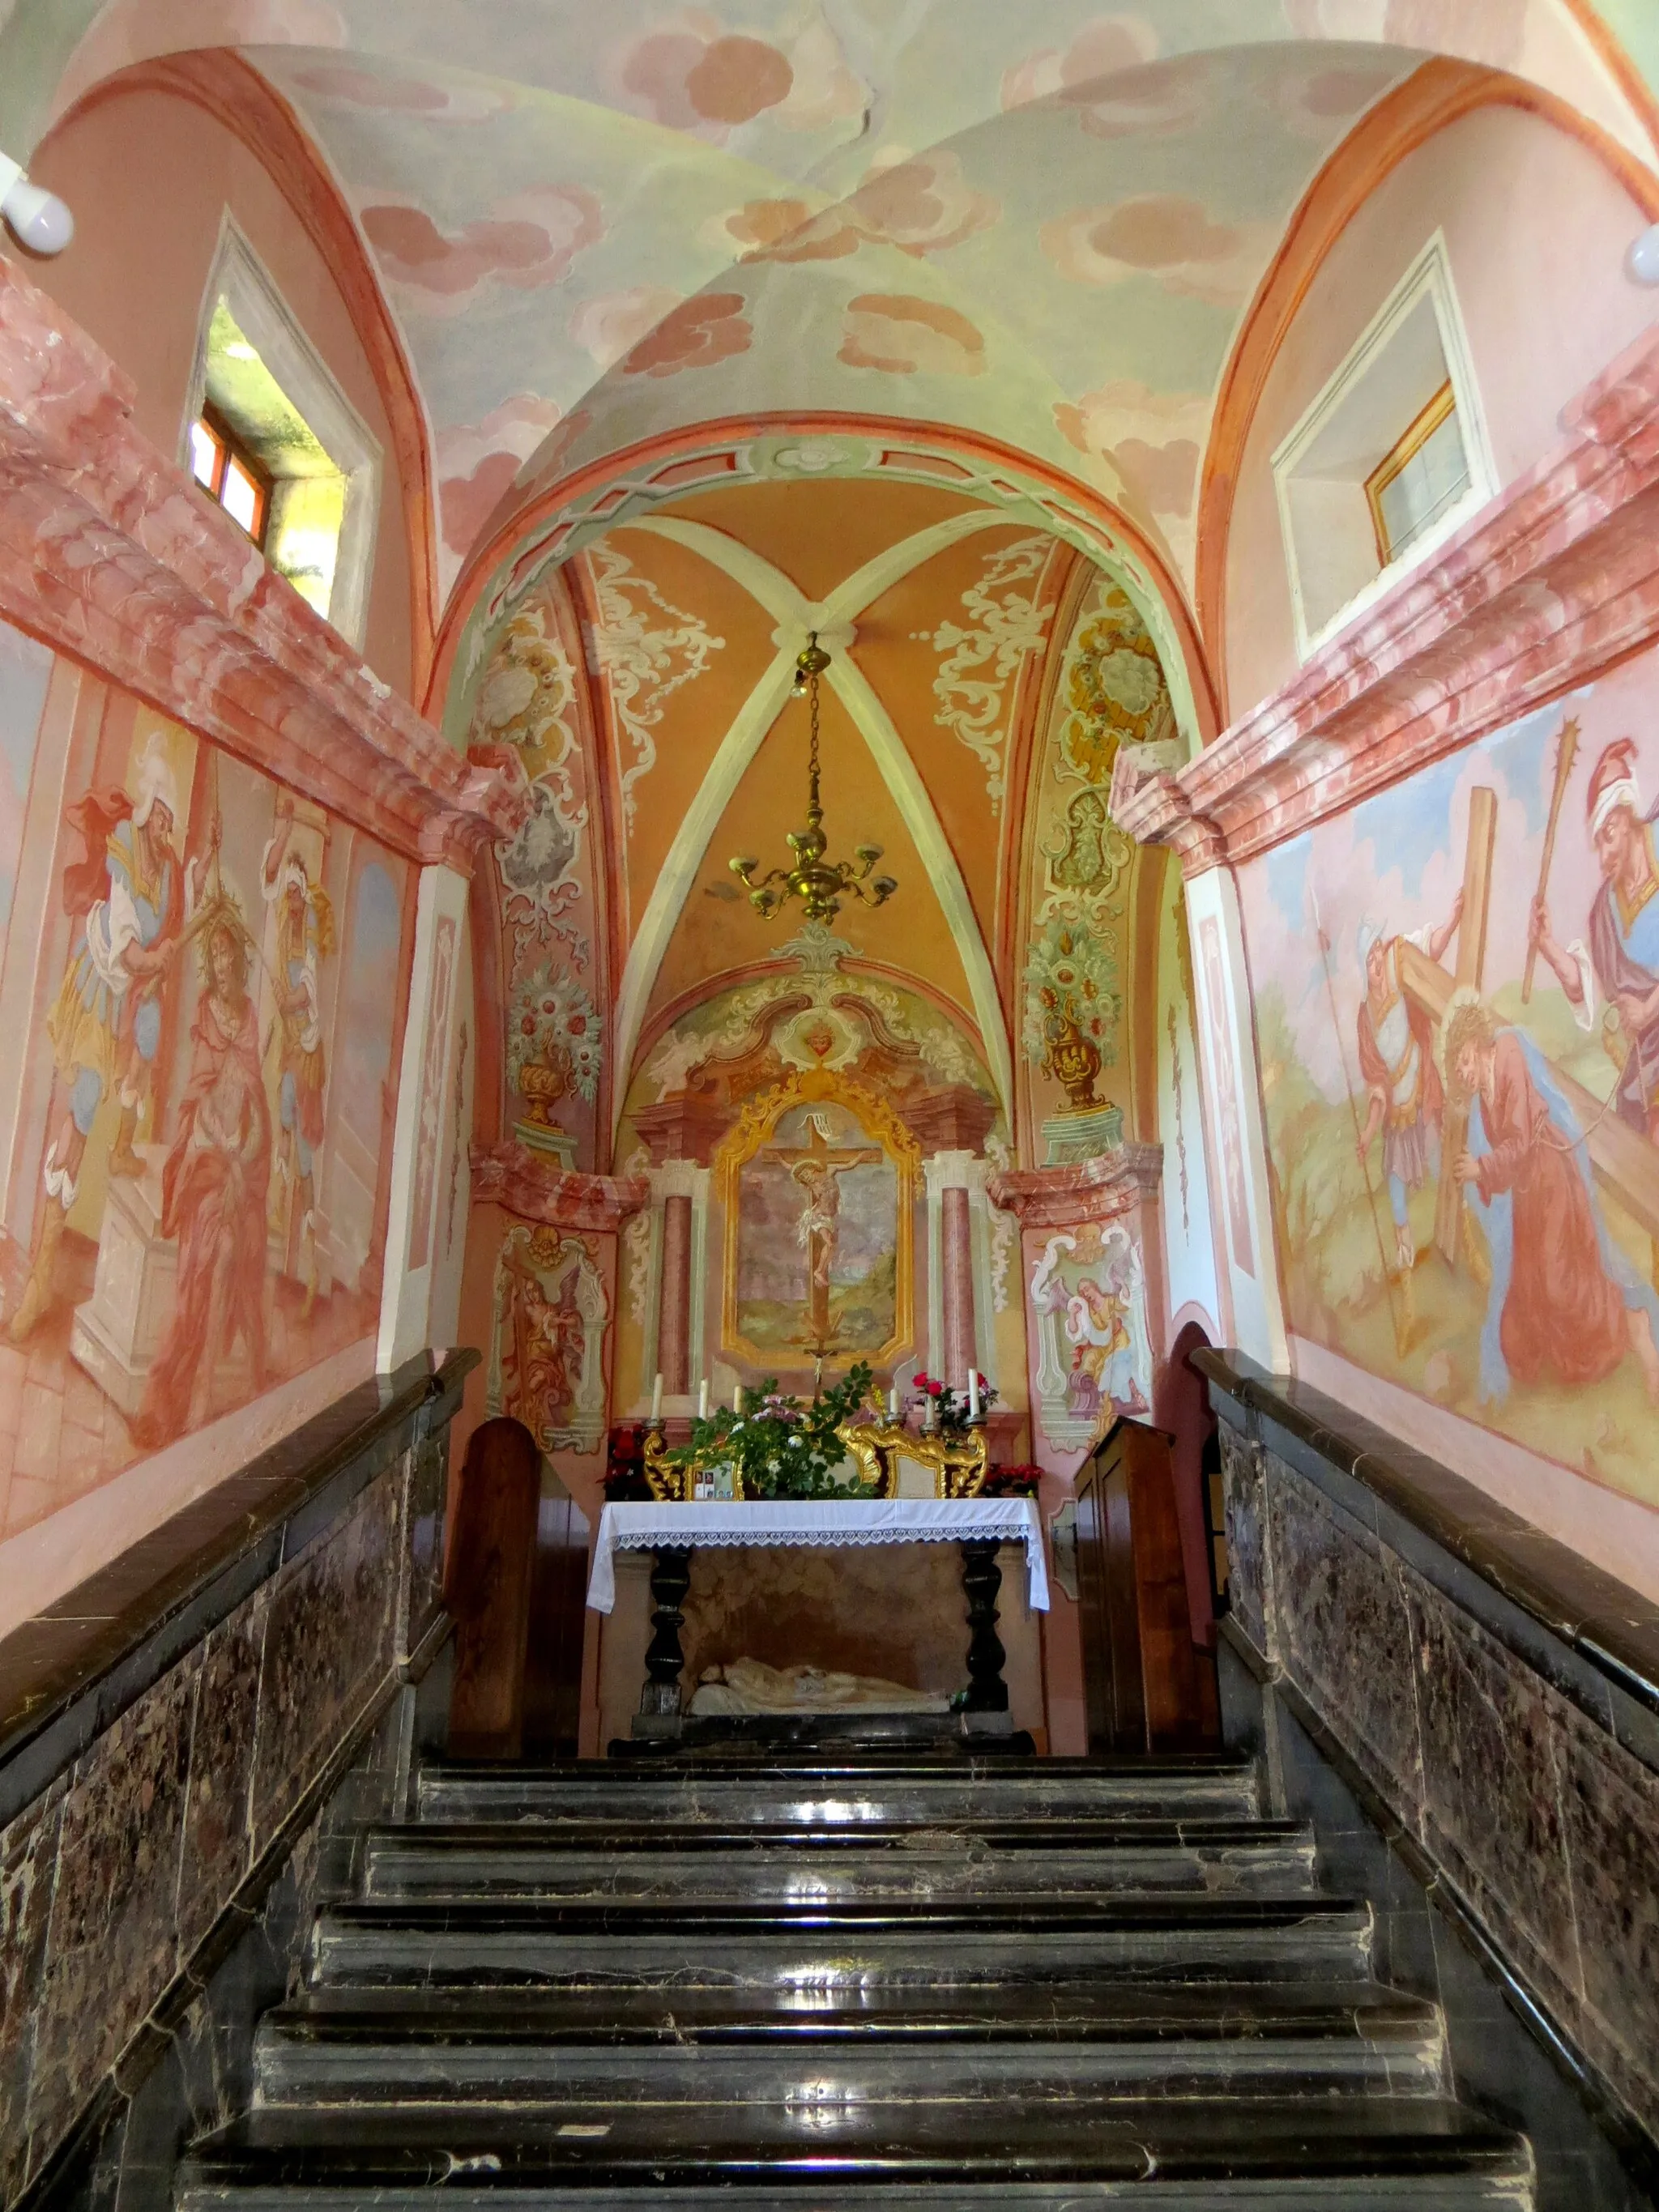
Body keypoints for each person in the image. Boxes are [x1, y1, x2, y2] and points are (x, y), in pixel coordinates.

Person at [8, 748, 211, 1344]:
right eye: (165, 815)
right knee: (85, 1103)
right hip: (102, 984)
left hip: (136, 991)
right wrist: (156, 958)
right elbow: (133, 951)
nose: (169, 826)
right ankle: (42, 1273)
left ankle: (124, 1147)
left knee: (146, 1038)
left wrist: (194, 887)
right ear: (148, 810)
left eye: (173, 817)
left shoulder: (169, 865)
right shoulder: (124, 847)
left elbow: (172, 926)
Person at [1447, 995, 1659, 1406]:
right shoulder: (1483, 1095)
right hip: (1530, 1194)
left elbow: (1522, 1141)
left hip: (1552, 1179)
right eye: (1459, 1071)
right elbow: (1508, 1163)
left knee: (1561, 1283)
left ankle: (1633, 1321)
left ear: (1476, 1044)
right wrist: (1484, 1173)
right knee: (1532, 1297)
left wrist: (1482, 1168)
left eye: (1466, 1062)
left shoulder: (1507, 1055)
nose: (1465, 1073)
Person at [130, 908, 271, 1448]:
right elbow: (205, 1098)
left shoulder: (252, 1013)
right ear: (210, 968)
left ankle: (208, 1394)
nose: (222, 961)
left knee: (241, 1254)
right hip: (207, 1152)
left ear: (239, 956)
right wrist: (226, 1155)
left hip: (241, 1159)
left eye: (227, 951)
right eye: (213, 955)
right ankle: (170, 1395)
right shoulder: (206, 1010)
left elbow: (254, 1101)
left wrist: (246, 1156)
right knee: (205, 1265)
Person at [1530, 737, 1659, 1143]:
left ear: (1628, 817)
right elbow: (1592, 987)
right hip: (1649, 1053)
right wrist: (1549, 948)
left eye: (1608, 835)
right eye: (1598, 843)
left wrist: (1650, 1009)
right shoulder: (1604, 909)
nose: (1603, 856)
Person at [1354, 893, 1465, 1273]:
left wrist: (1452, 921)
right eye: (1368, 961)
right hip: (1398, 1107)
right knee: (1397, 1179)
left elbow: (1429, 953)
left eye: (1376, 954)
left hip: (1424, 1086)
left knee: (1442, 1151)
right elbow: (1375, 1084)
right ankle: (1404, 1245)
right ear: (1362, 968)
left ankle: (1460, 1222)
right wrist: (1369, 1131)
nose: (1376, 965)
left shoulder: (1399, 957)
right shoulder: (1366, 1019)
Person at [261, 797, 331, 1315]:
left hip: (305, 1051)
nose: (288, 900)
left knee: (303, 1152)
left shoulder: (304, 928)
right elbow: (268, 875)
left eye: (293, 892)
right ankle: (280, 1198)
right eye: (285, 892)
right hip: (287, 1046)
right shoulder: (283, 919)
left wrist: (289, 1003)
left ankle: (310, 1274)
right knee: (278, 1122)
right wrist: (282, 830)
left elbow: (307, 987)